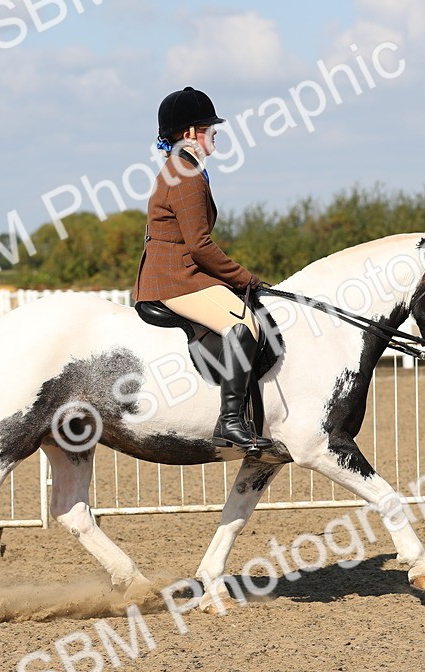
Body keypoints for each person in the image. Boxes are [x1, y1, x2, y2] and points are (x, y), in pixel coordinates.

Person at [133, 87, 273, 453]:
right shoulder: (186, 174)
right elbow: (200, 246)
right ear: (190, 133)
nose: (215, 134)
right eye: (210, 129)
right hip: (175, 279)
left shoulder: (182, 168)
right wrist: (247, 279)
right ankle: (230, 420)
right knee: (243, 324)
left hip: (177, 273)